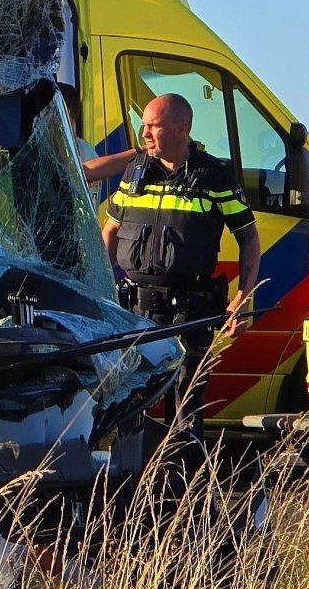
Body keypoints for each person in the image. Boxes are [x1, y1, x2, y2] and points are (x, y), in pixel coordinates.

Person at [100, 94, 260, 452]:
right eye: (144, 126)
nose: (145, 134)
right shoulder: (136, 171)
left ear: (180, 130)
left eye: (153, 127)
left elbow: (249, 238)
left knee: (185, 411)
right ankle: (133, 495)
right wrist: (103, 287)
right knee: (129, 409)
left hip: (189, 313)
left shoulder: (213, 176)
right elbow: (110, 230)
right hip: (134, 312)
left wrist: (243, 298)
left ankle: (185, 494)